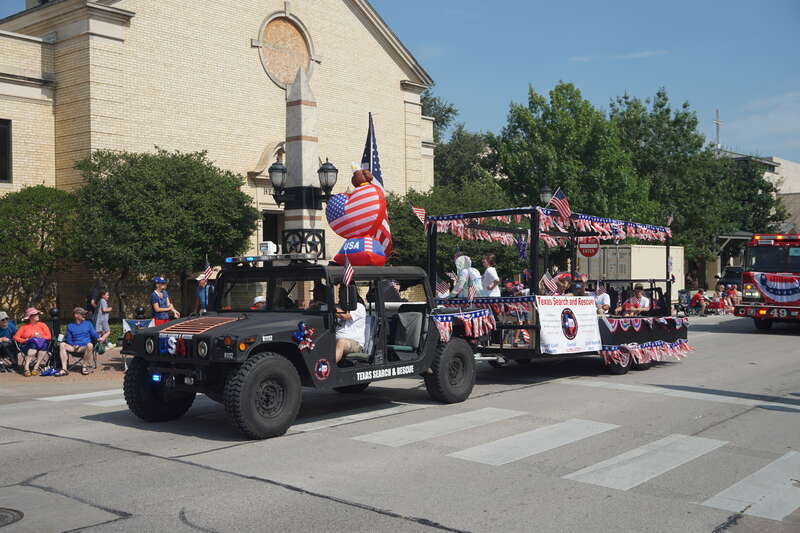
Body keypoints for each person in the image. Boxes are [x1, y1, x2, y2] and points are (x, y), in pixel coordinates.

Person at [59, 307, 99, 376]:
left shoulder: (88, 324)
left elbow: (95, 335)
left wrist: (100, 337)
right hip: (73, 347)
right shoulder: (70, 326)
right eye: (82, 314)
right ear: (76, 315)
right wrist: (73, 345)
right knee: (62, 344)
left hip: (84, 347)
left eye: (85, 314)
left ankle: (84, 366)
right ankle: (64, 369)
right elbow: (69, 339)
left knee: (90, 345)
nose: (84, 315)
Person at [13, 308, 52, 377]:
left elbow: (49, 336)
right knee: (33, 346)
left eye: (38, 314)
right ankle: (26, 367)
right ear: (30, 317)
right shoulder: (24, 327)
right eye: (35, 314)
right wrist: (26, 340)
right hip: (27, 346)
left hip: (41, 345)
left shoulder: (42, 325)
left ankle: (36, 366)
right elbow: (16, 337)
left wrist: (41, 337)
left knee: (44, 345)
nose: (38, 316)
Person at [335, 293, 366, 363]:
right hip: (336, 340)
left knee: (341, 342)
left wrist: (330, 307)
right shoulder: (339, 307)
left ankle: (329, 368)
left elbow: (346, 316)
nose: (339, 294)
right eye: (339, 291)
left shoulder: (358, 307)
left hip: (356, 344)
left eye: (342, 291)